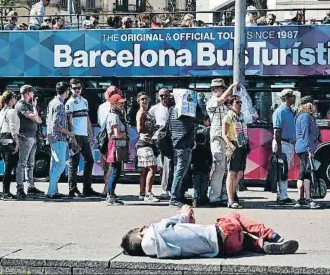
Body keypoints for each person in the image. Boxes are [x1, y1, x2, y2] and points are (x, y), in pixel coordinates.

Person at [121, 205, 299, 258]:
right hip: (223, 232)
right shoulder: (154, 230)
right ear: (141, 234)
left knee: (242, 239)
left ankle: (261, 245)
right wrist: (185, 209)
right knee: (233, 215)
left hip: (225, 249)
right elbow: (184, 215)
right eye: (142, 228)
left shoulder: (161, 252)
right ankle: (271, 235)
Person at [207, 79, 239, 206]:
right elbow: (219, 100)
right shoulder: (211, 101)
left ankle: (225, 194)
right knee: (219, 166)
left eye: (218, 87)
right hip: (217, 137)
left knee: (228, 168)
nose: (215, 90)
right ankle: (214, 196)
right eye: (213, 88)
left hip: (229, 138)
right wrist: (231, 87)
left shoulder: (227, 105)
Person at [65, 78, 98, 198]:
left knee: (90, 160)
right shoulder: (69, 103)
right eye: (74, 88)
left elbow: (87, 118)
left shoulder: (84, 101)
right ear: (70, 89)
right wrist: (71, 137)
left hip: (84, 135)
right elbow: (69, 121)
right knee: (74, 163)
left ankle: (87, 188)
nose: (77, 90)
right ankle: (72, 189)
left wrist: (90, 133)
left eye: (79, 88)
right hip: (76, 136)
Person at [46, 82, 74, 199]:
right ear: (66, 91)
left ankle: (54, 190)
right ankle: (51, 191)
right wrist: (69, 133)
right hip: (59, 138)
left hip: (52, 138)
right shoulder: (60, 105)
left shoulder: (52, 102)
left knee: (54, 165)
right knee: (61, 165)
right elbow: (57, 125)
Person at [15, 85, 44, 198]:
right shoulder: (21, 105)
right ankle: (20, 187)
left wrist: (35, 114)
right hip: (25, 137)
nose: (33, 94)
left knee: (30, 164)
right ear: (27, 93)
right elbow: (34, 118)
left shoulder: (28, 105)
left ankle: (30, 186)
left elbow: (39, 120)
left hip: (32, 136)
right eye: (32, 92)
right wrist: (35, 108)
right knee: (22, 163)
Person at [167, 99, 197, 207]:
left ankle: (178, 195)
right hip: (184, 145)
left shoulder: (171, 110)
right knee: (180, 172)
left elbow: (168, 126)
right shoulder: (187, 113)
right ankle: (174, 197)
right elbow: (197, 119)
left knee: (177, 171)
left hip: (175, 144)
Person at [222, 95, 249, 209]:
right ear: (230, 105)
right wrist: (230, 145)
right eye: (237, 102)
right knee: (232, 173)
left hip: (242, 144)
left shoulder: (241, 117)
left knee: (240, 173)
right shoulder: (228, 117)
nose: (239, 105)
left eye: (240, 102)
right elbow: (224, 133)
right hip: (233, 144)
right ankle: (230, 199)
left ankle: (232, 193)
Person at [294, 96, 321, 209]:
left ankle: (301, 199)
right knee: (307, 173)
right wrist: (310, 150)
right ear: (308, 105)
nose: (315, 106)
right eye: (313, 104)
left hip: (303, 147)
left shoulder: (302, 116)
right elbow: (305, 134)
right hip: (306, 148)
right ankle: (307, 199)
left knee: (303, 172)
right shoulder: (305, 117)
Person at [272, 89, 297, 205]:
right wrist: (279, 148)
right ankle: (283, 196)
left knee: (284, 170)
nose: (294, 98)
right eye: (292, 96)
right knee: (283, 170)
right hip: (282, 143)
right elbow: (277, 131)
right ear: (287, 98)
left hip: (288, 143)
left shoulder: (289, 110)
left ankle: (281, 194)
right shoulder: (280, 111)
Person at [97, 86, 123, 198]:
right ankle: (108, 191)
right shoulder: (115, 111)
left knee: (107, 166)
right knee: (113, 167)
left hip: (104, 139)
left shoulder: (101, 107)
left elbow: (99, 122)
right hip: (112, 140)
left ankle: (106, 189)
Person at [135, 92, 160, 203]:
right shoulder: (141, 113)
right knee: (152, 168)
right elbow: (139, 129)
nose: (144, 101)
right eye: (142, 99)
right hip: (145, 143)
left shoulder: (147, 112)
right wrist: (152, 130)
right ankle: (148, 194)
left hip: (146, 143)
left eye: (146, 99)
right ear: (138, 101)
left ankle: (142, 193)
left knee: (144, 170)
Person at [105, 94, 129, 206]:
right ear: (114, 104)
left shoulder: (117, 114)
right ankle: (110, 196)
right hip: (115, 146)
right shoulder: (114, 116)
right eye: (120, 103)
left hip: (116, 145)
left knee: (116, 171)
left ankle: (111, 195)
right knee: (115, 171)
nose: (122, 104)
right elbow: (117, 134)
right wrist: (126, 133)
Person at [149, 88, 172, 200]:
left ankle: (169, 188)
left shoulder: (173, 107)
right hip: (159, 140)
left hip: (172, 140)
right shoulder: (154, 109)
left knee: (170, 165)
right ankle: (165, 189)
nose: (164, 98)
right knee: (162, 165)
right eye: (161, 96)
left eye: (166, 95)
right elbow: (148, 123)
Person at [0, 91, 20, 200]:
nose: (15, 100)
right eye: (15, 98)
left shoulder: (2, 111)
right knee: (9, 167)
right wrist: (17, 141)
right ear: (11, 99)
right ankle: (5, 192)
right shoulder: (12, 111)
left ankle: (5, 191)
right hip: (9, 139)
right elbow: (13, 128)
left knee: (7, 166)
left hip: (2, 139)